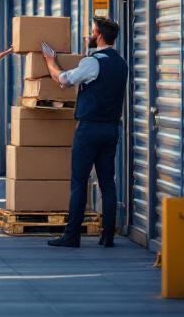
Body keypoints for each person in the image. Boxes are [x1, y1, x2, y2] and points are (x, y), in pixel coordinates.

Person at [40, 17, 127, 248]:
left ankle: (72, 236)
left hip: (89, 129)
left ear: (98, 34)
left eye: (91, 31)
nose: (88, 35)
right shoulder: (121, 63)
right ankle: (108, 236)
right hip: (111, 129)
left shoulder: (93, 62)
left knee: (79, 182)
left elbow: (63, 79)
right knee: (108, 183)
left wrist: (50, 60)